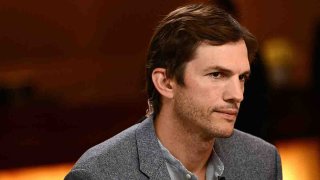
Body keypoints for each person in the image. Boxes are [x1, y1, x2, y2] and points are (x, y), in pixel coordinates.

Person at [65, 3, 282, 180]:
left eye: (241, 77)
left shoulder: (262, 161)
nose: (237, 94)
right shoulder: (98, 174)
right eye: (216, 75)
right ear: (166, 82)